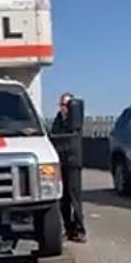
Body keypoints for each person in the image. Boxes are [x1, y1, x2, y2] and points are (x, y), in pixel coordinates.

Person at [50, 92, 86, 243]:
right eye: (62, 105)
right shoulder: (58, 121)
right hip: (61, 161)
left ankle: (79, 228)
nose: (64, 108)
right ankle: (67, 228)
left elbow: (73, 136)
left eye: (67, 105)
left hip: (72, 162)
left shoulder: (75, 121)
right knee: (62, 198)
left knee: (74, 196)